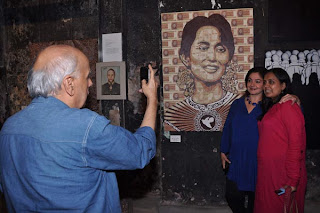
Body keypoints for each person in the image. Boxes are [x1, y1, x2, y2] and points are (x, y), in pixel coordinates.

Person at [0, 45, 158, 212]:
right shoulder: (86, 127)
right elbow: (140, 151)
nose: (90, 83)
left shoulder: (8, 128)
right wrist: (152, 100)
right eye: (87, 76)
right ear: (69, 83)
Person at [220, 67, 300, 213]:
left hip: (258, 161)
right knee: (232, 196)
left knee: (256, 200)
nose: (252, 84)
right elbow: (227, 127)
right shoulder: (237, 104)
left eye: (258, 81)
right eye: (250, 80)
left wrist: (295, 98)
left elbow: (290, 113)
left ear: (264, 85)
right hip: (237, 158)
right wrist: (223, 150)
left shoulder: (271, 106)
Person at [164, 14, 241, 131]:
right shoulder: (172, 117)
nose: (212, 57)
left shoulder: (241, 106)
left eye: (220, 49)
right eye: (203, 48)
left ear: (229, 58)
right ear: (185, 57)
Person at [254, 68, 307, 213]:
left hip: (282, 174)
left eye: (272, 82)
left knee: (278, 206)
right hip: (268, 172)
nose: (266, 86)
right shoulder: (272, 106)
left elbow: (296, 144)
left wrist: (292, 179)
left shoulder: (289, 107)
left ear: (283, 86)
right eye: (265, 82)